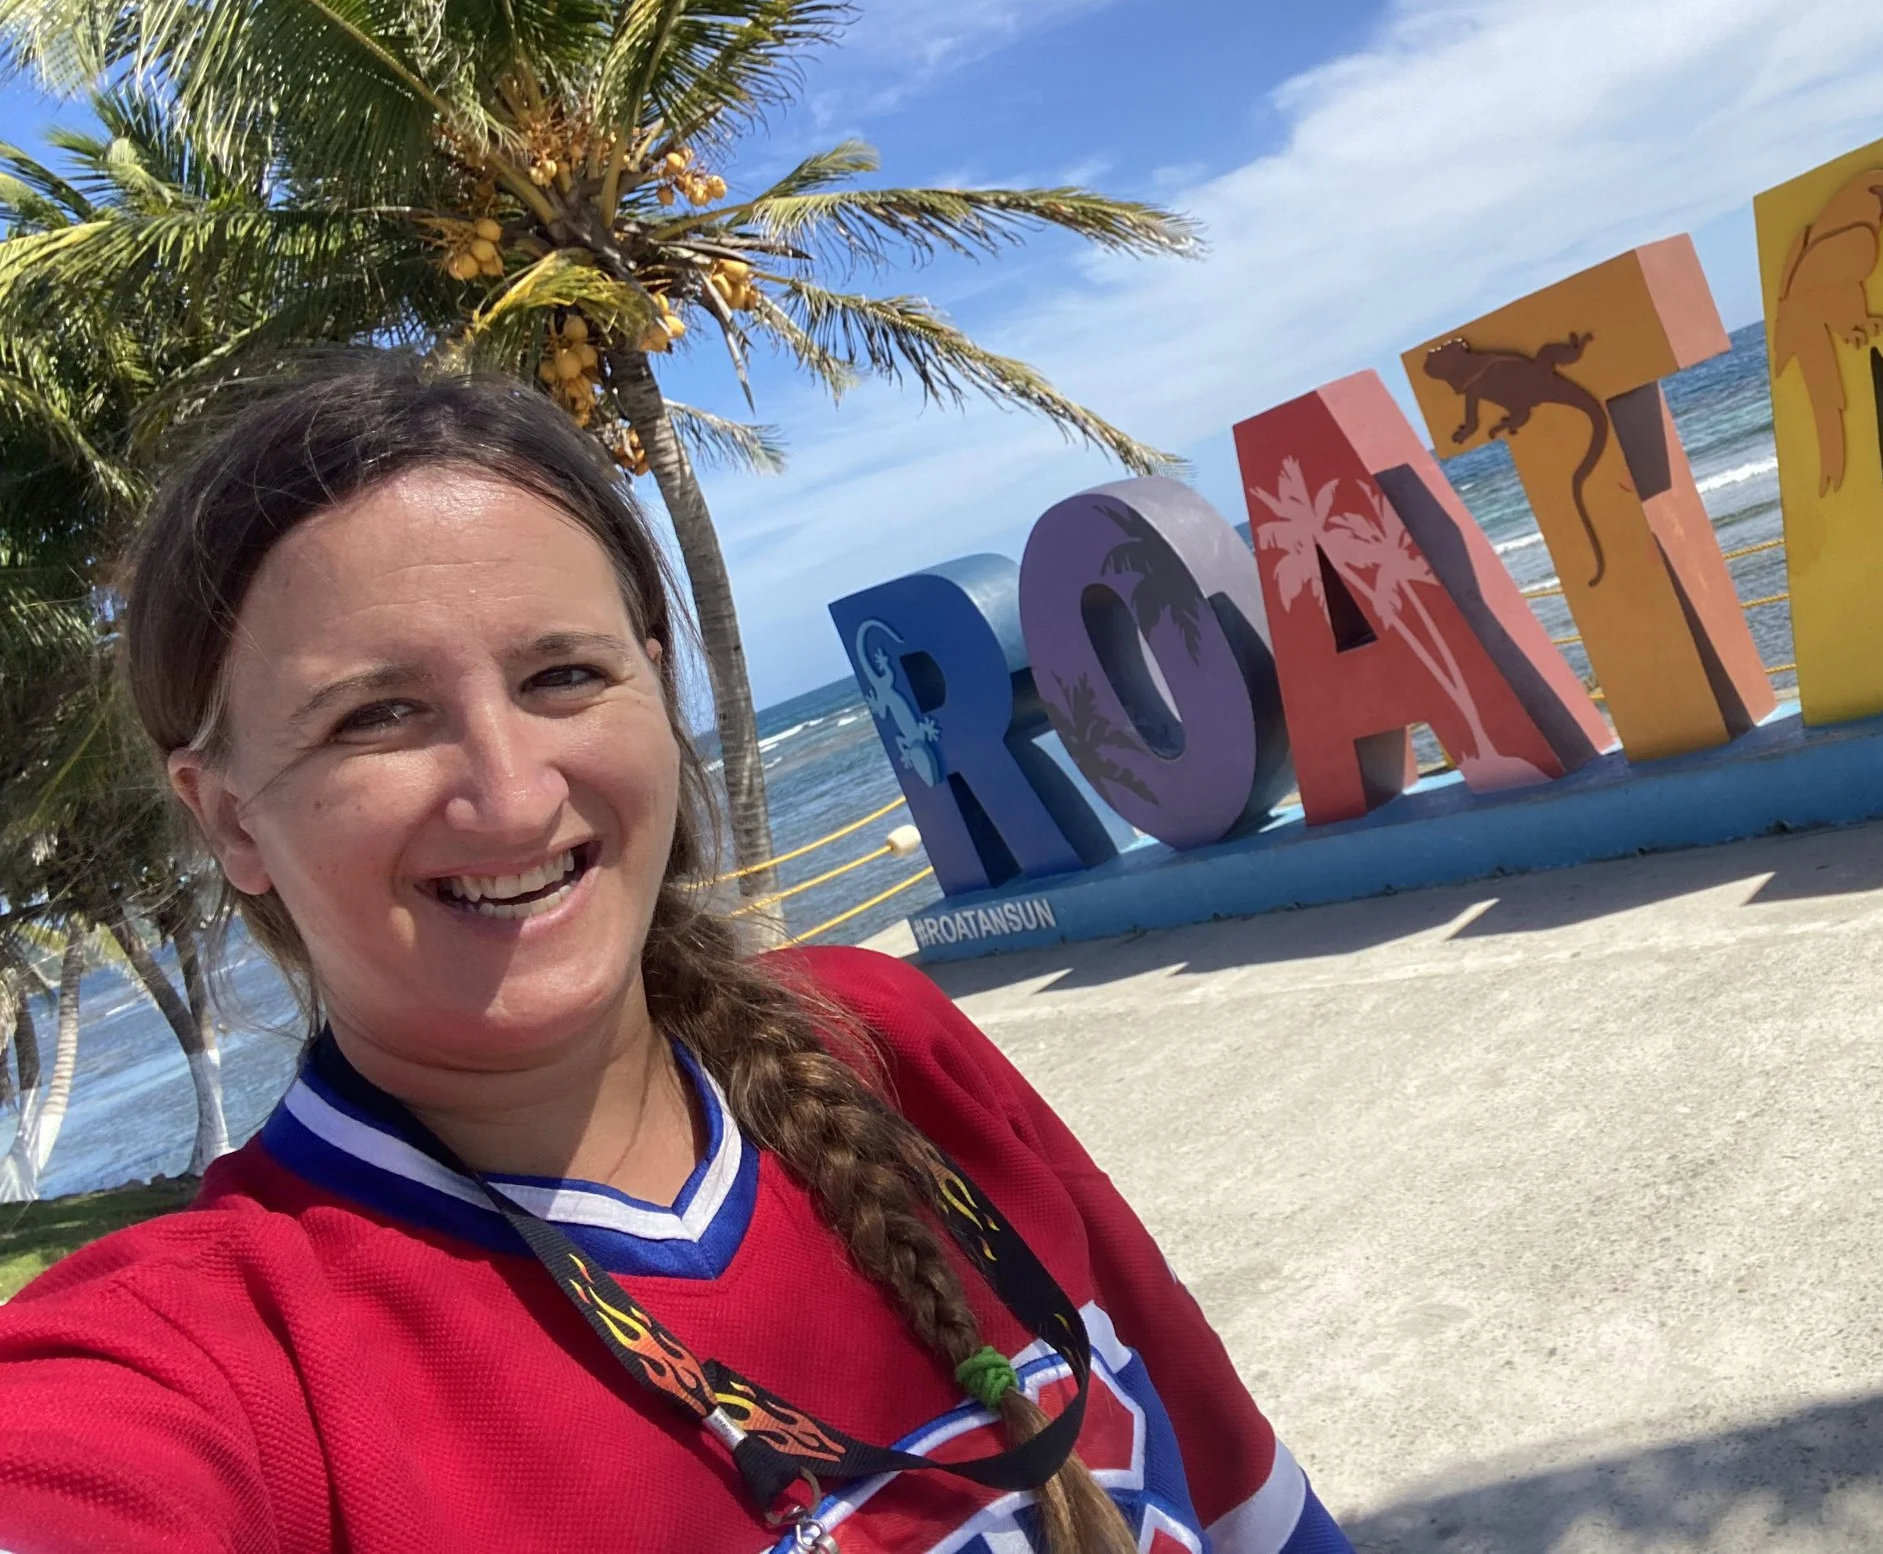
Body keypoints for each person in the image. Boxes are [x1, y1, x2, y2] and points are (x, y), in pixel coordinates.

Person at [0, 360, 1352, 1554]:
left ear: (658, 680)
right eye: (378, 714)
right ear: (230, 813)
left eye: (563, 677)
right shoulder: (216, 1360)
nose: (514, 794)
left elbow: (1252, 1506)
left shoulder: (880, 1039)